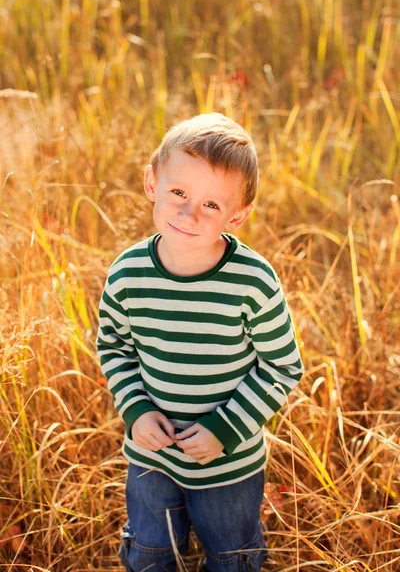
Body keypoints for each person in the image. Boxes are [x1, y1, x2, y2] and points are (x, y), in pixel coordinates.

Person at [96, 112, 304, 572]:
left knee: (231, 555)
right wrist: (135, 410)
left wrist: (223, 430)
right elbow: (114, 347)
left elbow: (282, 366)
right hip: (152, 453)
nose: (190, 213)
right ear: (152, 183)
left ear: (238, 214)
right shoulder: (129, 274)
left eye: (211, 205)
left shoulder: (252, 282)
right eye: (178, 193)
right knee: (152, 553)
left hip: (229, 464)